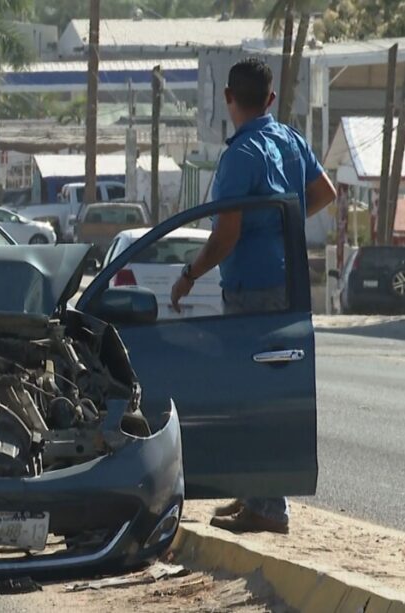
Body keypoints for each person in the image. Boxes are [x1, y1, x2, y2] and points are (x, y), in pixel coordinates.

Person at [169, 57, 337, 534]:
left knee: (249, 395)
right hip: (287, 281)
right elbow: (323, 192)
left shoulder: (239, 156)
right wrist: (282, 223)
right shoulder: (288, 139)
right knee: (267, 390)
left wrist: (188, 275)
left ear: (228, 99)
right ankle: (256, 496)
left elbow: (225, 237)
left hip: (251, 290)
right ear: (268, 99)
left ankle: (267, 507)